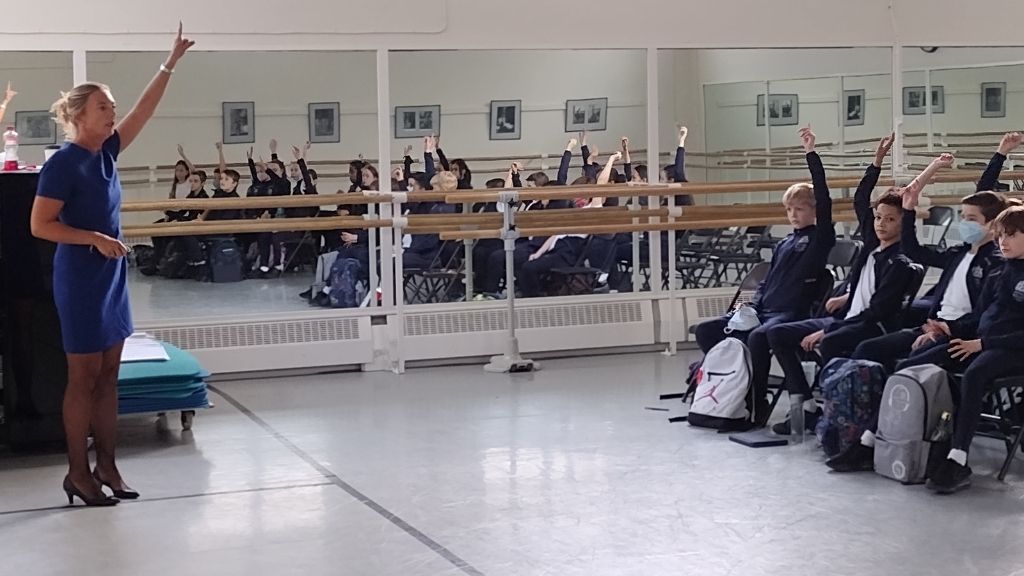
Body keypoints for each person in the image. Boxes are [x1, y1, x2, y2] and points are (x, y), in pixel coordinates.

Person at [30, 24, 194, 507]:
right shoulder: (63, 163)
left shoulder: (107, 152)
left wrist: (169, 64)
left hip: (111, 276)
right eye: (104, 106)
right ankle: (77, 473)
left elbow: (144, 110)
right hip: (80, 276)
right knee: (82, 378)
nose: (113, 113)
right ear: (79, 114)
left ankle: (109, 466)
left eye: (112, 107)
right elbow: (41, 225)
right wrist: (94, 238)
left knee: (108, 375)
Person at [766, 134, 917, 434]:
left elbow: (875, 312)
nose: (880, 223)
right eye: (878, 218)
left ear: (903, 224)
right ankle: (807, 405)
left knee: (832, 340)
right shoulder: (872, 245)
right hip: (847, 317)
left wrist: (828, 328)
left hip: (870, 325)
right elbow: (861, 198)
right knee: (778, 335)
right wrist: (876, 162)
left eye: (889, 220)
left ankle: (837, 411)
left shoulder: (899, 260)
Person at [691, 127, 836, 425]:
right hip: (765, 310)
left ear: (813, 211)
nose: (794, 215)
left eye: (800, 209)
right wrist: (751, 306)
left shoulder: (820, 238)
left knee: (759, 337)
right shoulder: (784, 243)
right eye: (789, 210)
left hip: (788, 314)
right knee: (707, 330)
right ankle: (734, 384)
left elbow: (823, 195)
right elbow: (767, 283)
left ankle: (758, 403)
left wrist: (811, 154)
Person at [894, 205, 1024, 493]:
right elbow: (979, 317)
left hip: (1012, 349)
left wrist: (983, 343)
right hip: (980, 342)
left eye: (1012, 235)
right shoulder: (999, 272)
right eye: (1001, 235)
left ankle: (958, 457)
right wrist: (949, 329)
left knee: (976, 374)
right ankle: (880, 439)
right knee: (913, 365)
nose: (1003, 241)